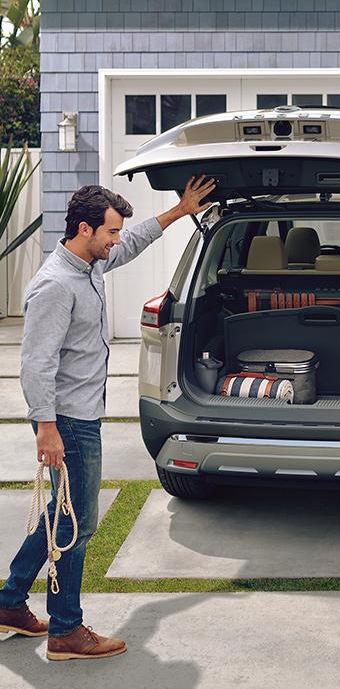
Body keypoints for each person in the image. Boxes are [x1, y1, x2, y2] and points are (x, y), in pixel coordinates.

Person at [0, 175, 215, 661]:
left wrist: (181, 210)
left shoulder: (88, 264)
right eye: (111, 233)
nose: (117, 240)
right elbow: (36, 364)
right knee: (79, 524)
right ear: (84, 229)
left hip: (76, 417)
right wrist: (47, 429)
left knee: (60, 515)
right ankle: (66, 632)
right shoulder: (56, 285)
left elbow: (135, 243)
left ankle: (10, 605)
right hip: (68, 422)